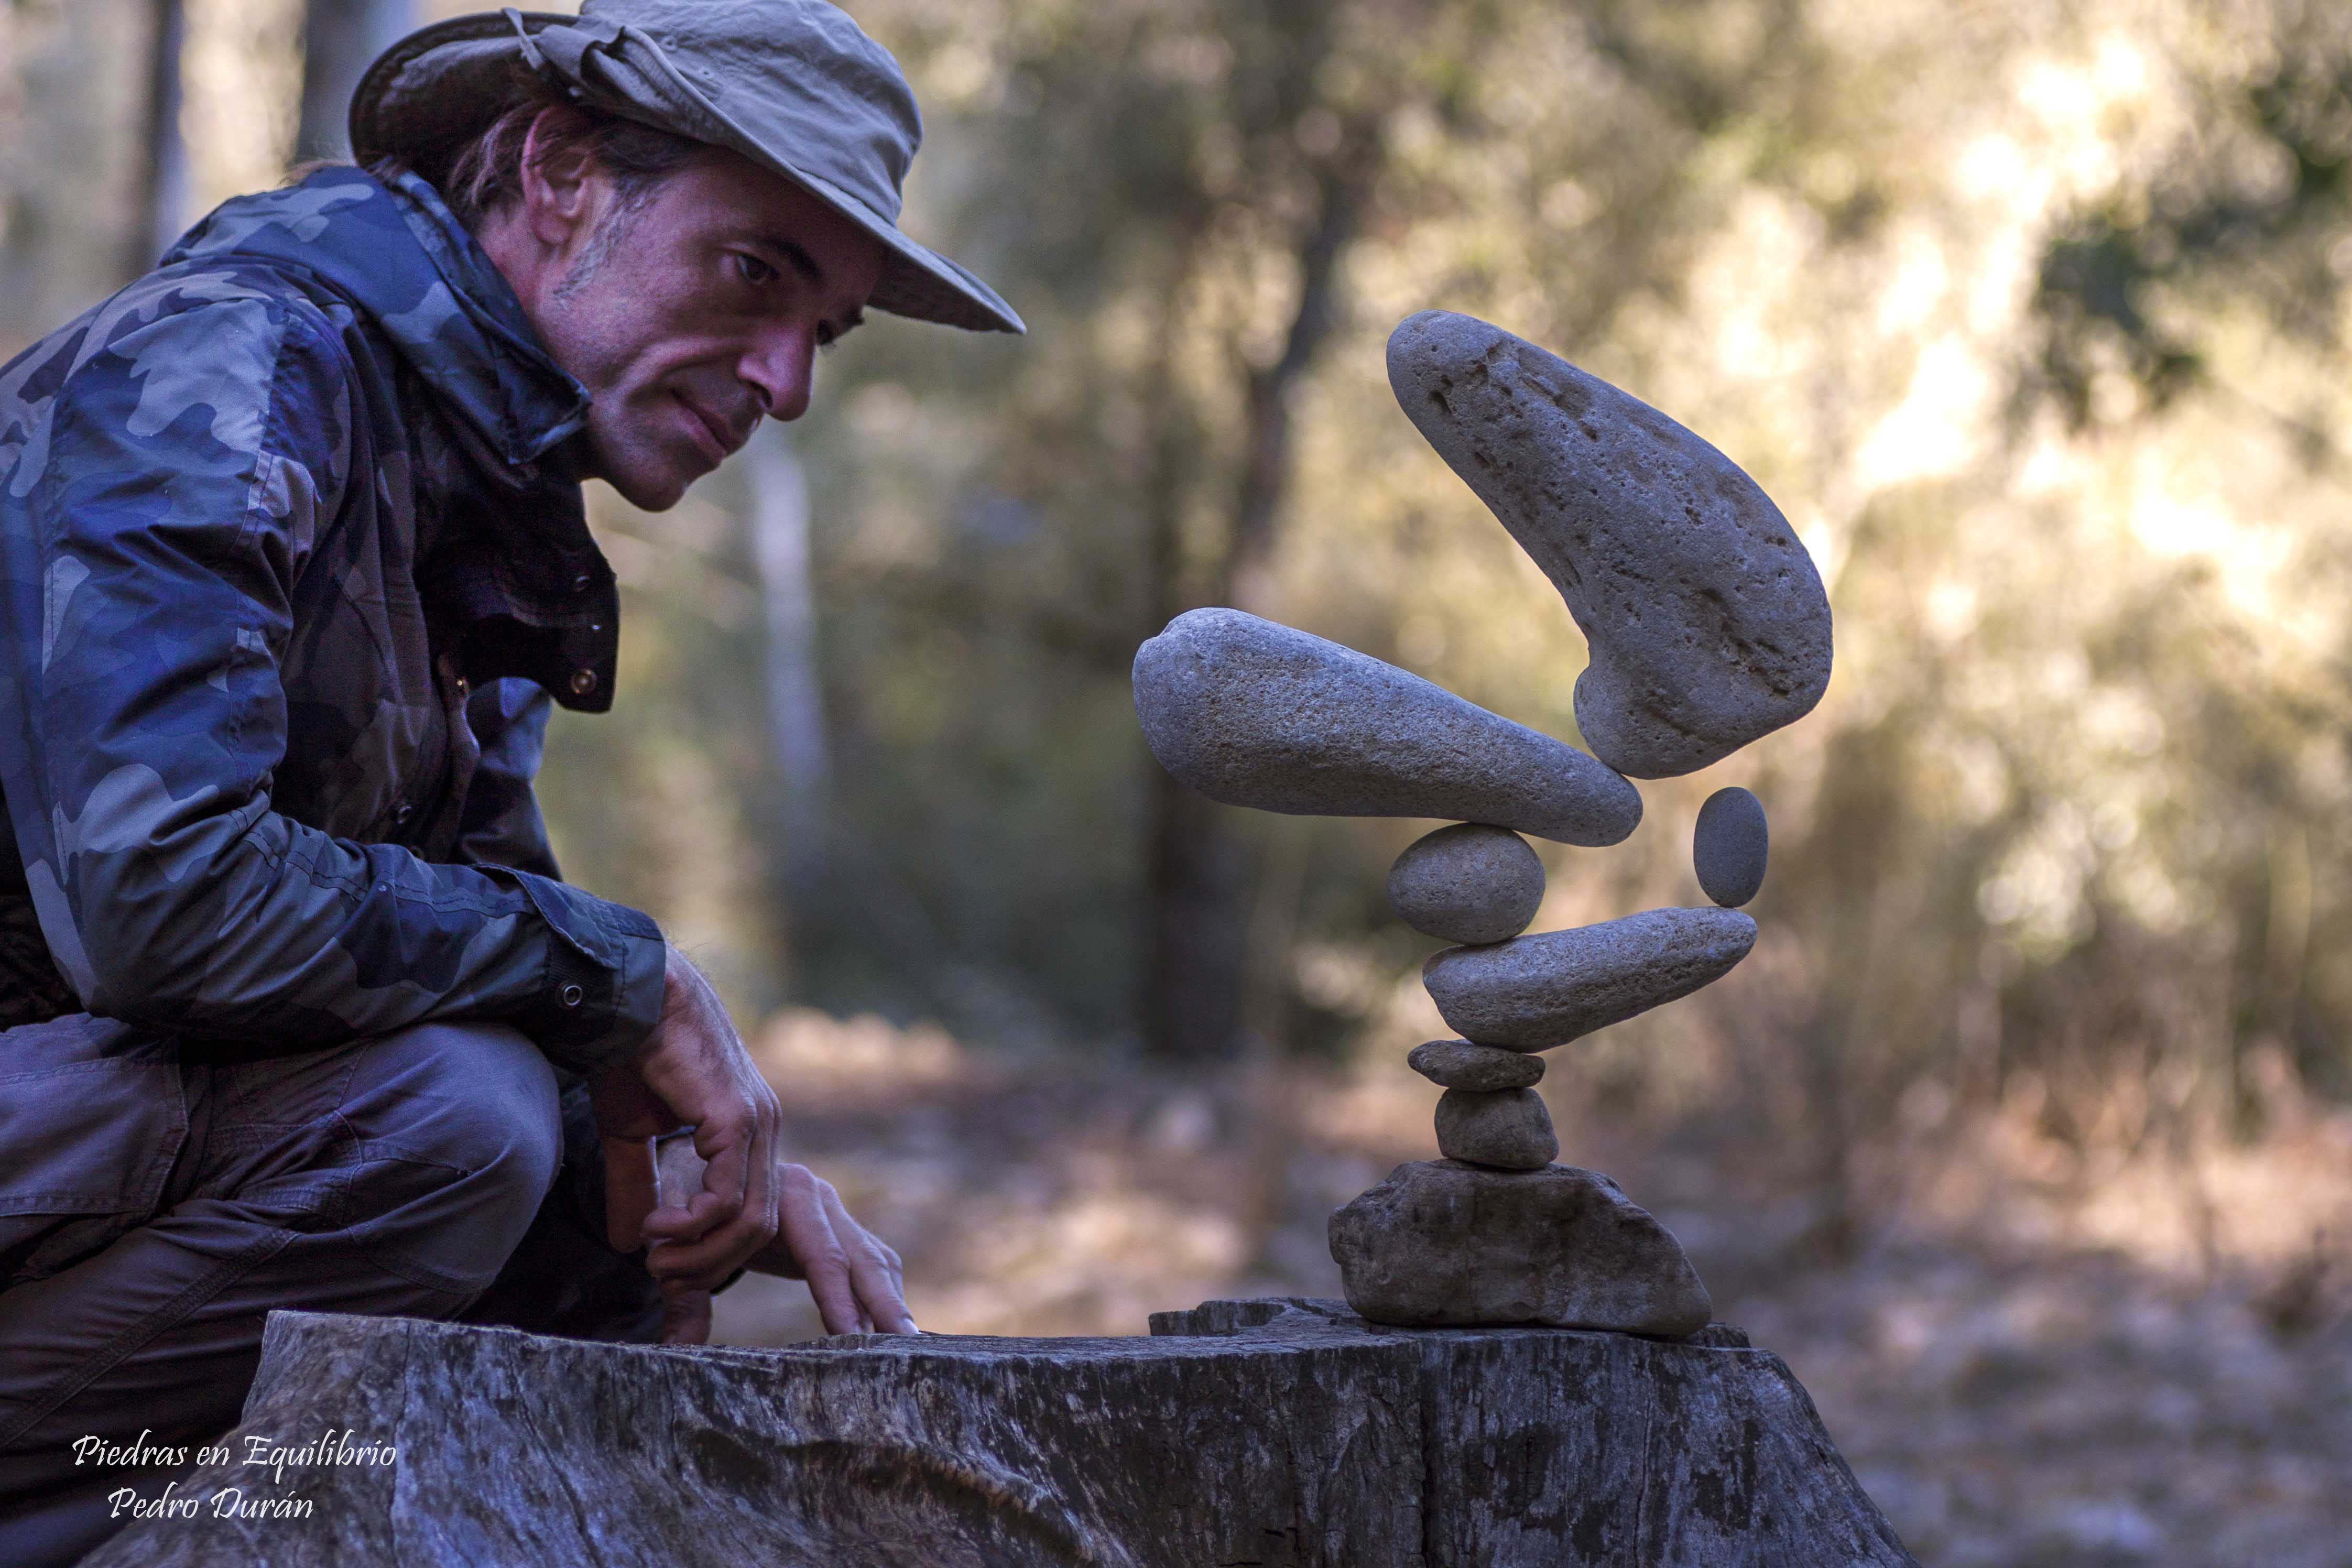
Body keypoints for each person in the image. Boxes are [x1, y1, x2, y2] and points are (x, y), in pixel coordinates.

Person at [0, 2, 1022, 1560]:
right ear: (559, 173)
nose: (788, 381)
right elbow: (167, 901)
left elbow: (469, 978)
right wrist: (630, 981)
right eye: (758, 273)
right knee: (457, 1124)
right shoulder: (232, 363)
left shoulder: (483, 498)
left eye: (827, 329)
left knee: (527, 1159)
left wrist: (679, 1180)